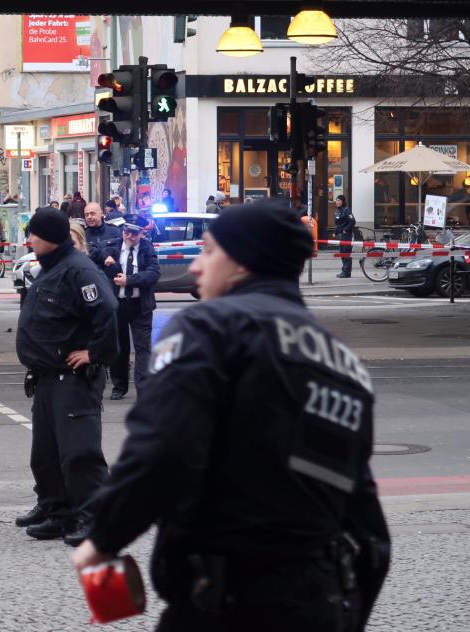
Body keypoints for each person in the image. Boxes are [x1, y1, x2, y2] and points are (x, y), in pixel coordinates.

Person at [72, 199, 390, 631]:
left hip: (227, 601)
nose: (198, 267)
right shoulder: (345, 365)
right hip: (319, 602)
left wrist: (104, 539)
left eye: (208, 251)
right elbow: (369, 530)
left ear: (243, 262)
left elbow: (163, 448)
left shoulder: (212, 327)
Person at [15, 208, 118, 546]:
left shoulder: (78, 269)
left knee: (79, 453)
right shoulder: (52, 266)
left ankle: (93, 518)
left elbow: (106, 312)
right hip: (47, 375)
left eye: (34, 234)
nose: (29, 240)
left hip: (73, 377)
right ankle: (58, 511)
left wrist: (94, 353)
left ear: (51, 238)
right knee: (45, 453)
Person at [101, 223, 161, 399]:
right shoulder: (113, 246)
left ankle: (143, 390)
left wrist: (130, 280)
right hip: (117, 305)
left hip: (140, 305)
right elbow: (93, 249)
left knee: (143, 348)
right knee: (119, 347)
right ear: (122, 232)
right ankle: (119, 387)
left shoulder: (147, 248)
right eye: (127, 232)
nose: (130, 237)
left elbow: (154, 273)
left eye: (135, 233)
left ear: (141, 233)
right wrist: (106, 257)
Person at [334, 194, 355, 278]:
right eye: (336, 200)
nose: (337, 202)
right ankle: (344, 270)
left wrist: (345, 230)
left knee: (346, 253)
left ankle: (347, 272)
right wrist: (335, 232)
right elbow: (338, 223)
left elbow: (352, 221)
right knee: (342, 253)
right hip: (340, 236)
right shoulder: (338, 210)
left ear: (343, 201)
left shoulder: (346, 210)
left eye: (339, 200)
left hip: (346, 236)